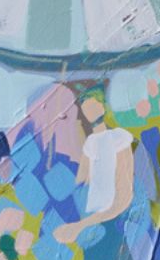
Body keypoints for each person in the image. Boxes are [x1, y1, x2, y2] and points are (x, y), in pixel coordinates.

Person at [53, 88, 136, 247]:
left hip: (111, 220)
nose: (89, 112)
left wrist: (79, 226)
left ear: (102, 107)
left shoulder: (118, 138)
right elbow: (81, 181)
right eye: (86, 109)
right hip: (91, 214)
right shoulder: (90, 143)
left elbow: (124, 193)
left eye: (93, 106)